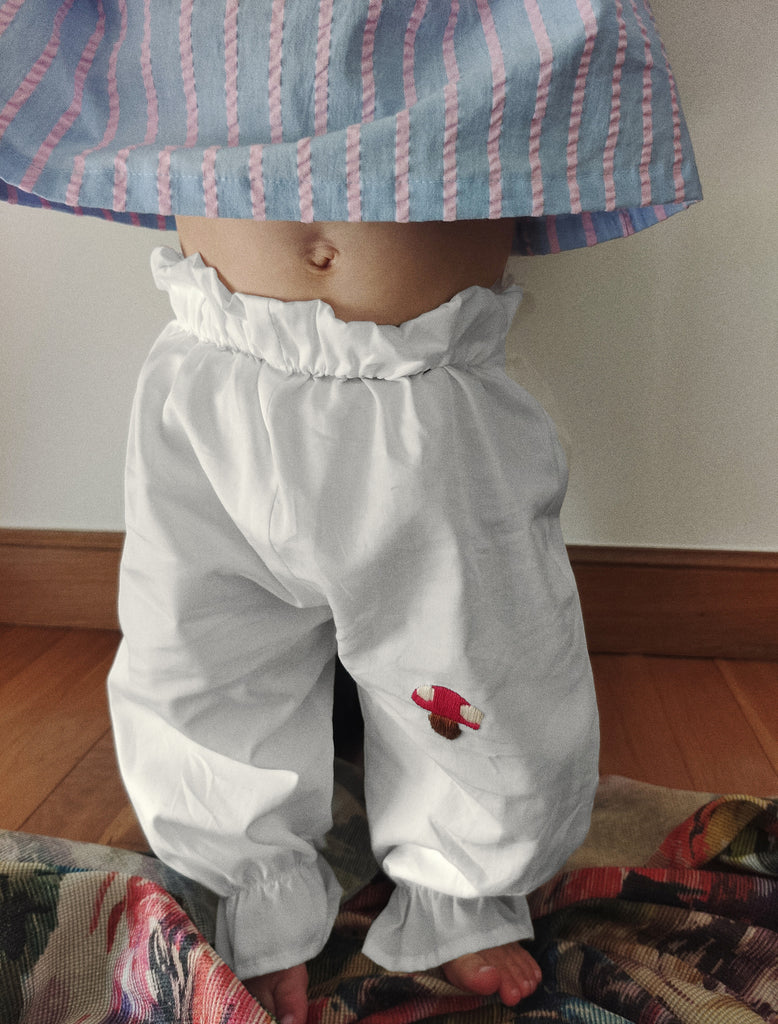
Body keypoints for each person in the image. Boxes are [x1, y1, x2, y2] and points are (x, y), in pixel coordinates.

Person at [0, 3, 701, 1022]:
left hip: (421, 397)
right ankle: (254, 884)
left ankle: (464, 889)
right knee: (197, 655)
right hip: (215, 373)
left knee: (474, 666)